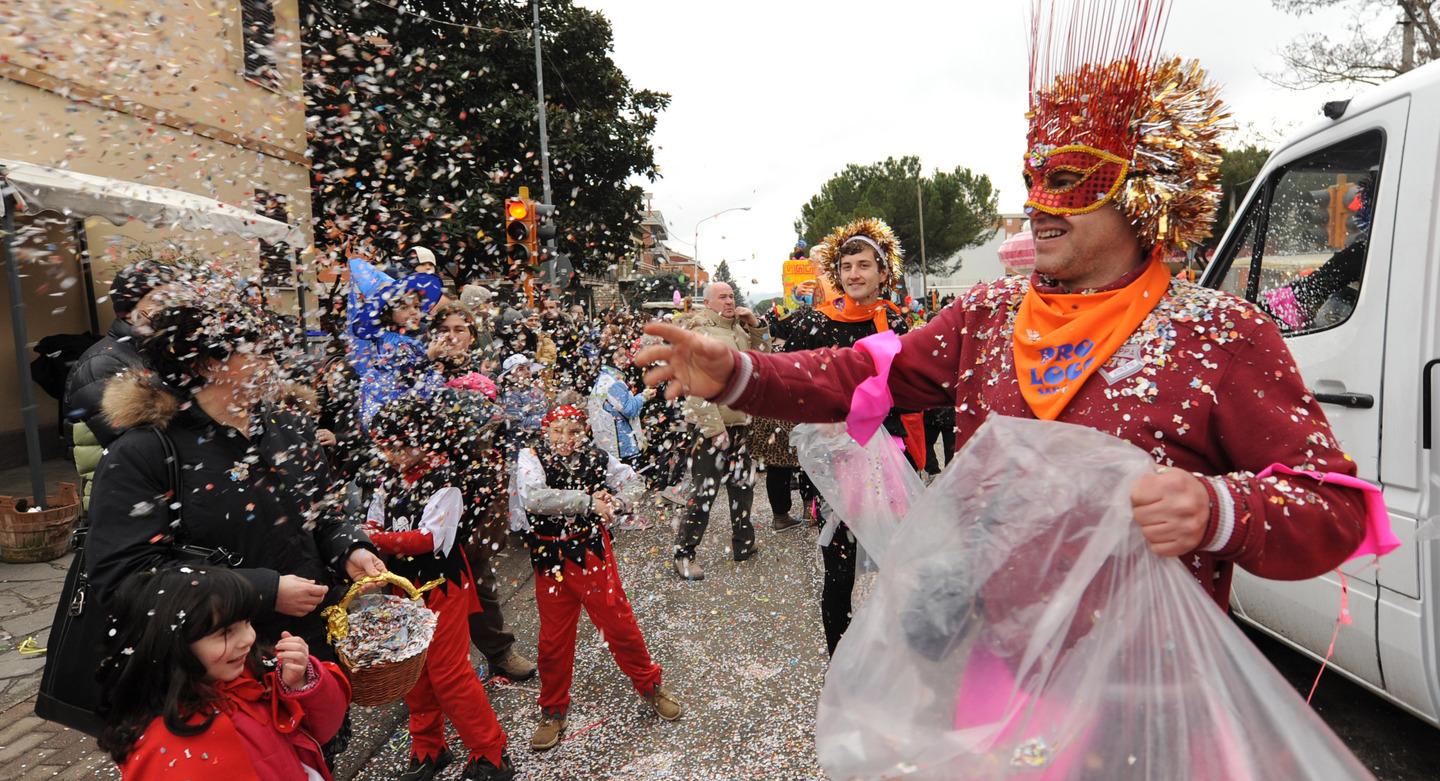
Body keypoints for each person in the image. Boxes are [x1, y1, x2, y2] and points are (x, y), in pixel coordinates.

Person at [637, 52, 1371, 620]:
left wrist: (1218, 510)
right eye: (1032, 175)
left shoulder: (1220, 334)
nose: (1037, 202)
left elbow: (1335, 509)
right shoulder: (987, 316)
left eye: (1071, 178)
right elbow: (860, 373)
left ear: (1145, 190)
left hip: (1144, 707)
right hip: (992, 680)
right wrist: (741, 373)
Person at [88, 291, 386, 662]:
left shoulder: (291, 427)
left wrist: (349, 547)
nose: (273, 367)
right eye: (258, 354)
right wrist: (261, 590)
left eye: (272, 353)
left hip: (313, 653)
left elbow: (325, 511)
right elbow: (126, 578)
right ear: (205, 364)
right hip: (217, 670)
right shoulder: (145, 452)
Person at [758, 218, 915, 655]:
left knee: (897, 562)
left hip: (890, 454)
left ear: (884, 273)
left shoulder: (896, 322)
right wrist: (822, 419)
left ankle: (898, 658)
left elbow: (909, 385)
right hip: (835, 464)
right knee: (840, 572)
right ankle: (840, 660)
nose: (854, 274)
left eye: (864, 265)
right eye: (846, 266)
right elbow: (791, 382)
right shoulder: (814, 321)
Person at [366, 398, 517, 781]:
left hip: (441, 587)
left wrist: (378, 539)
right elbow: (372, 517)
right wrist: (377, 535)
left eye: (400, 445)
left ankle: (491, 753)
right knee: (414, 673)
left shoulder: (445, 481)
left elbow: (428, 539)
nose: (393, 455)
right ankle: (429, 747)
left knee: (449, 673)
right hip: (401, 590)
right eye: (386, 447)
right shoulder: (387, 478)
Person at [516, 405, 682, 751]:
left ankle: (650, 687)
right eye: (558, 430)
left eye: (573, 431)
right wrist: (589, 501)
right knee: (552, 641)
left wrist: (617, 503)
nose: (565, 439)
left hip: (590, 553)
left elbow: (635, 482)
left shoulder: (596, 456)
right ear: (546, 430)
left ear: (584, 431)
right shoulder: (530, 456)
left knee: (619, 625)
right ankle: (553, 710)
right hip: (550, 560)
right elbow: (534, 498)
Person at [98, 565, 350, 780]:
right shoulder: (167, 745)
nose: (248, 639)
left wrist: (302, 684)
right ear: (171, 644)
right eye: (226, 632)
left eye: (248, 622)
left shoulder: (253, 674)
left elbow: (323, 728)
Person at [425, 304, 538, 683]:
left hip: (471, 496)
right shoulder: (419, 381)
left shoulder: (482, 384)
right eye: (445, 329)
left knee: (478, 580)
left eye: (461, 329)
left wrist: (492, 497)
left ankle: (499, 652)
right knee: (429, 588)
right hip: (425, 499)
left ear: (472, 337)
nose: (452, 336)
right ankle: (432, 668)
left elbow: (488, 441)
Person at [671, 282, 768, 581]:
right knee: (703, 494)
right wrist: (713, 429)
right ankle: (684, 553)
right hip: (712, 429)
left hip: (739, 424)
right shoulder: (700, 333)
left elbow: (764, 359)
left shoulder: (738, 329)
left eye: (732, 296)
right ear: (709, 302)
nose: (729, 301)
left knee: (743, 487)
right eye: (723, 297)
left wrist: (756, 327)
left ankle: (744, 544)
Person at [63, 260, 178, 507]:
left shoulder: (160, 352)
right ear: (127, 309)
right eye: (160, 299)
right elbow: (141, 444)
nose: (171, 308)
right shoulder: (102, 363)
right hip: (122, 503)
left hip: (154, 494)